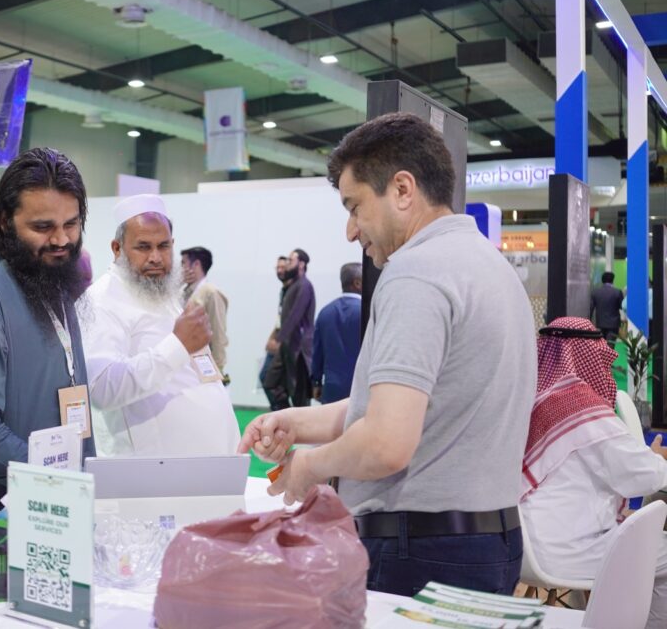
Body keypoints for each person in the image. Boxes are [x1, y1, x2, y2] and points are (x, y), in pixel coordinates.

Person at [239, 112, 536, 598]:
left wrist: (309, 468)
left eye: (355, 207)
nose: (350, 230)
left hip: (421, 551)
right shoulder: (488, 265)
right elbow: (404, 408)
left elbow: (385, 442)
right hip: (487, 541)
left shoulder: (416, 272)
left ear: (402, 189)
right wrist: (296, 422)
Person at [0, 148, 96, 509]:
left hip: (66, 495)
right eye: (43, 227)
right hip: (10, 507)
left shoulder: (51, 275)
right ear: (5, 222)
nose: (61, 240)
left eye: (71, 225)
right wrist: (60, 480)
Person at [520, 316, 667, 628]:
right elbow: (646, 476)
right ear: (588, 355)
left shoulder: (529, 401)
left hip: (521, 547)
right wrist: (657, 457)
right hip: (567, 549)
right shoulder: (581, 408)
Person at [82, 194, 240, 457]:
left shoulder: (160, 291)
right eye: (143, 247)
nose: (155, 257)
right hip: (155, 473)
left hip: (203, 467)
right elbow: (101, 388)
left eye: (163, 246)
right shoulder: (102, 300)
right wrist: (177, 346)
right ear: (117, 249)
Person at [263, 248, 315, 410]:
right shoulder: (293, 286)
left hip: (299, 348)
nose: (287, 264)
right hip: (288, 344)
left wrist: (278, 340)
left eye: (291, 260)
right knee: (270, 381)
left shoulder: (304, 286)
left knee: (300, 395)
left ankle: (300, 423)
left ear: (301, 264)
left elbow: (295, 316)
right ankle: (285, 416)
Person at [310, 262, 362, 403]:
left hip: (331, 389)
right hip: (360, 389)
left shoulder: (325, 312)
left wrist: (316, 382)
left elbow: (317, 353)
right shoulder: (367, 312)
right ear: (357, 283)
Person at [181, 246, 229, 379]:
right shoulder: (184, 292)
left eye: (183, 263)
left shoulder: (211, 293)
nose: (181, 269)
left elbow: (218, 334)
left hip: (203, 366)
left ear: (196, 264)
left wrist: (218, 370)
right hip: (184, 364)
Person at [259, 255, 289, 403]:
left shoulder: (295, 291)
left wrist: (279, 343)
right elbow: (280, 320)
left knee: (268, 379)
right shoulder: (283, 291)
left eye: (283, 267)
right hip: (278, 342)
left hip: (287, 345)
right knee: (267, 379)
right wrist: (270, 339)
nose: (280, 270)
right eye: (278, 267)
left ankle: (284, 412)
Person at [590, 271, 624, 342]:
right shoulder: (617, 292)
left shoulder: (595, 292)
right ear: (612, 280)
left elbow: (591, 308)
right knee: (610, 344)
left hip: (600, 323)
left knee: (601, 344)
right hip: (613, 324)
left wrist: (589, 321)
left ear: (602, 280)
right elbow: (621, 306)